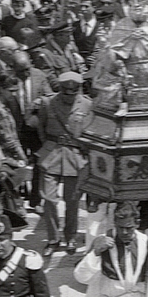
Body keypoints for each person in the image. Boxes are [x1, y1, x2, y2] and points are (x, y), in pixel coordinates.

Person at [37, 72, 91, 254]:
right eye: (65, 92)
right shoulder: (48, 103)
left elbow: (89, 130)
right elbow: (41, 128)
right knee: (49, 199)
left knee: (72, 200)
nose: (69, 96)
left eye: (72, 92)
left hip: (74, 156)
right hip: (52, 153)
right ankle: (53, 240)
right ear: (59, 89)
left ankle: (70, 238)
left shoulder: (86, 104)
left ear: (78, 90)